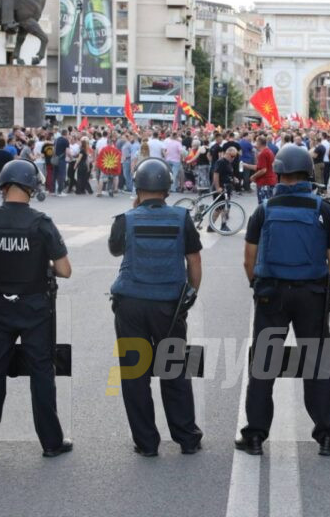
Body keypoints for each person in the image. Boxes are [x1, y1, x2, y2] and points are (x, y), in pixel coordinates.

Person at [237, 145, 330, 456]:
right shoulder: (323, 209)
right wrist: (327, 286)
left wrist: (256, 285)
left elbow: (249, 258)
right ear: (308, 173)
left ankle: (254, 436)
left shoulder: (264, 210)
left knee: (263, 366)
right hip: (312, 295)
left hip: (271, 294)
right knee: (317, 365)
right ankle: (326, 436)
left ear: (279, 172)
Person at [0, 160, 73, 458]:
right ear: (31, 187)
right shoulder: (41, 223)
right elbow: (65, 270)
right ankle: (51, 443)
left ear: (3, 186)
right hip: (35, 308)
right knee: (41, 373)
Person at [108, 158, 203, 456]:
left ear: (137, 187)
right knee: (174, 370)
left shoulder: (126, 218)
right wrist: (190, 294)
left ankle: (146, 444)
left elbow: (115, 249)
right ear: (167, 189)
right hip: (169, 306)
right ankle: (187, 439)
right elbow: (194, 261)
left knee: (135, 374)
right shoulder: (181, 217)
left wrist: (134, 209)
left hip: (130, 305)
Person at [249, 135, 277, 204]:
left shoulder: (263, 154)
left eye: (256, 142)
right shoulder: (269, 151)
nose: (255, 143)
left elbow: (263, 170)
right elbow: (260, 167)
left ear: (259, 143)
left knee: (263, 204)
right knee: (269, 203)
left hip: (264, 182)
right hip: (270, 181)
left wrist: (253, 176)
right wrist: (246, 165)